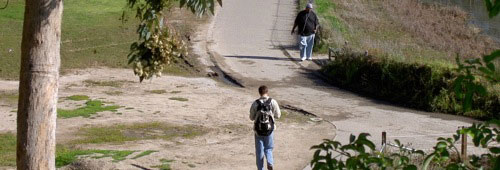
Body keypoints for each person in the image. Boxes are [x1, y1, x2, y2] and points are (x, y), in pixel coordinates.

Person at [249, 85, 281, 170]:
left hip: (258, 131)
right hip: (269, 130)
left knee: (259, 151)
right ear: (267, 92)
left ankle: (260, 168)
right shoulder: (273, 102)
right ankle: (270, 162)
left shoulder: (255, 103)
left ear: (259, 93)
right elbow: (278, 115)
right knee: (269, 148)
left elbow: (251, 117)